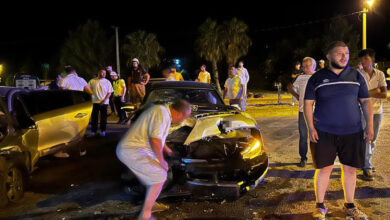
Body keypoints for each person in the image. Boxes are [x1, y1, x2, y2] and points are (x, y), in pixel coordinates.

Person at [304, 41, 373, 220]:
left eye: (347, 53)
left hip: (353, 132)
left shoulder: (356, 75)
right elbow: (308, 104)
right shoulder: (317, 78)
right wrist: (311, 127)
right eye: (340, 53)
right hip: (324, 132)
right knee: (324, 169)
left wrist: (370, 127)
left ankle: (350, 206)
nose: (344, 57)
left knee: (350, 170)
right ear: (328, 56)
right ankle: (320, 206)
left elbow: (366, 102)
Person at [116, 100, 191, 220]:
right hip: (131, 150)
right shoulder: (162, 113)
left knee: (156, 176)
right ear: (179, 114)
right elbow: (155, 140)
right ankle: (145, 215)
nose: (182, 121)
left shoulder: (163, 112)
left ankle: (150, 203)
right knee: (158, 176)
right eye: (184, 118)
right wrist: (161, 160)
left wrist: (167, 150)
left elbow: (160, 137)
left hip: (138, 149)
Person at [358, 48, 388, 181]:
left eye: (366, 58)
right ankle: (366, 165)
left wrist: (367, 92)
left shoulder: (380, 74)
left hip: (377, 111)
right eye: (362, 59)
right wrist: (375, 90)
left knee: (373, 138)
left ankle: (366, 161)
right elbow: (357, 94)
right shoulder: (358, 74)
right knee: (366, 138)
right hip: (362, 111)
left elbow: (384, 94)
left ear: (372, 59)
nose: (363, 61)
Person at [56, 66, 93, 157]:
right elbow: (90, 92)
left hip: (69, 107)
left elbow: (61, 93)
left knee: (66, 129)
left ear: (66, 72)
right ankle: (81, 150)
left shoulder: (63, 80)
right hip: (81, 106)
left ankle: (63, 151)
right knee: (80, 129)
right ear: (75, 71)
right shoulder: (81, 79)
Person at [288, 57, 316, 168]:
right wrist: (296, 96)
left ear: (313, 66)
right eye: (303, 66)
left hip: (317, 112)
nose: (304, 68)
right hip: (302, 111)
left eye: (307, 66)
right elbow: (290, 87)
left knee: (316, 136)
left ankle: (316, 158)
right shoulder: (300, 78)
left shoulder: (318, 77)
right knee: (303, 136)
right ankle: (303, 158)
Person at [89, 69, 114, 137]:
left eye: (104, 73)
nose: (103, 74)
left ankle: (103, 131)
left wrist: (104, 100)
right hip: (95, 102)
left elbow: (109, 92)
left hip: (104, 103)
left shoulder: (107, 82)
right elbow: (88, 89)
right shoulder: (92, 81)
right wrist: (93, 95)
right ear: (98, 73)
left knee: (103, 118)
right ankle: (93, 131)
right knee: (94, 118)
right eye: (101, 73)